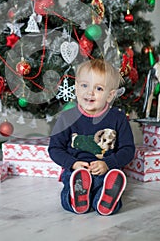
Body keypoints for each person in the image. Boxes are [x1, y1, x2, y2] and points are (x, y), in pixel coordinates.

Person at [48, 58, 135, 216]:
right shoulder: (67, 118)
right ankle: (76, 198)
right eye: (84, 85)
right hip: (75, 172)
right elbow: (55, 148)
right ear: (76, 88)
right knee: (71, 185)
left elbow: (128, 150)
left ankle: (106, 199)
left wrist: (108, 164)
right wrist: (73, 164)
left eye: (99, 88)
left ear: (110, 95)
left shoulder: (118, 118)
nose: (90, 92)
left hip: (105, 171)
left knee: (109, 183)